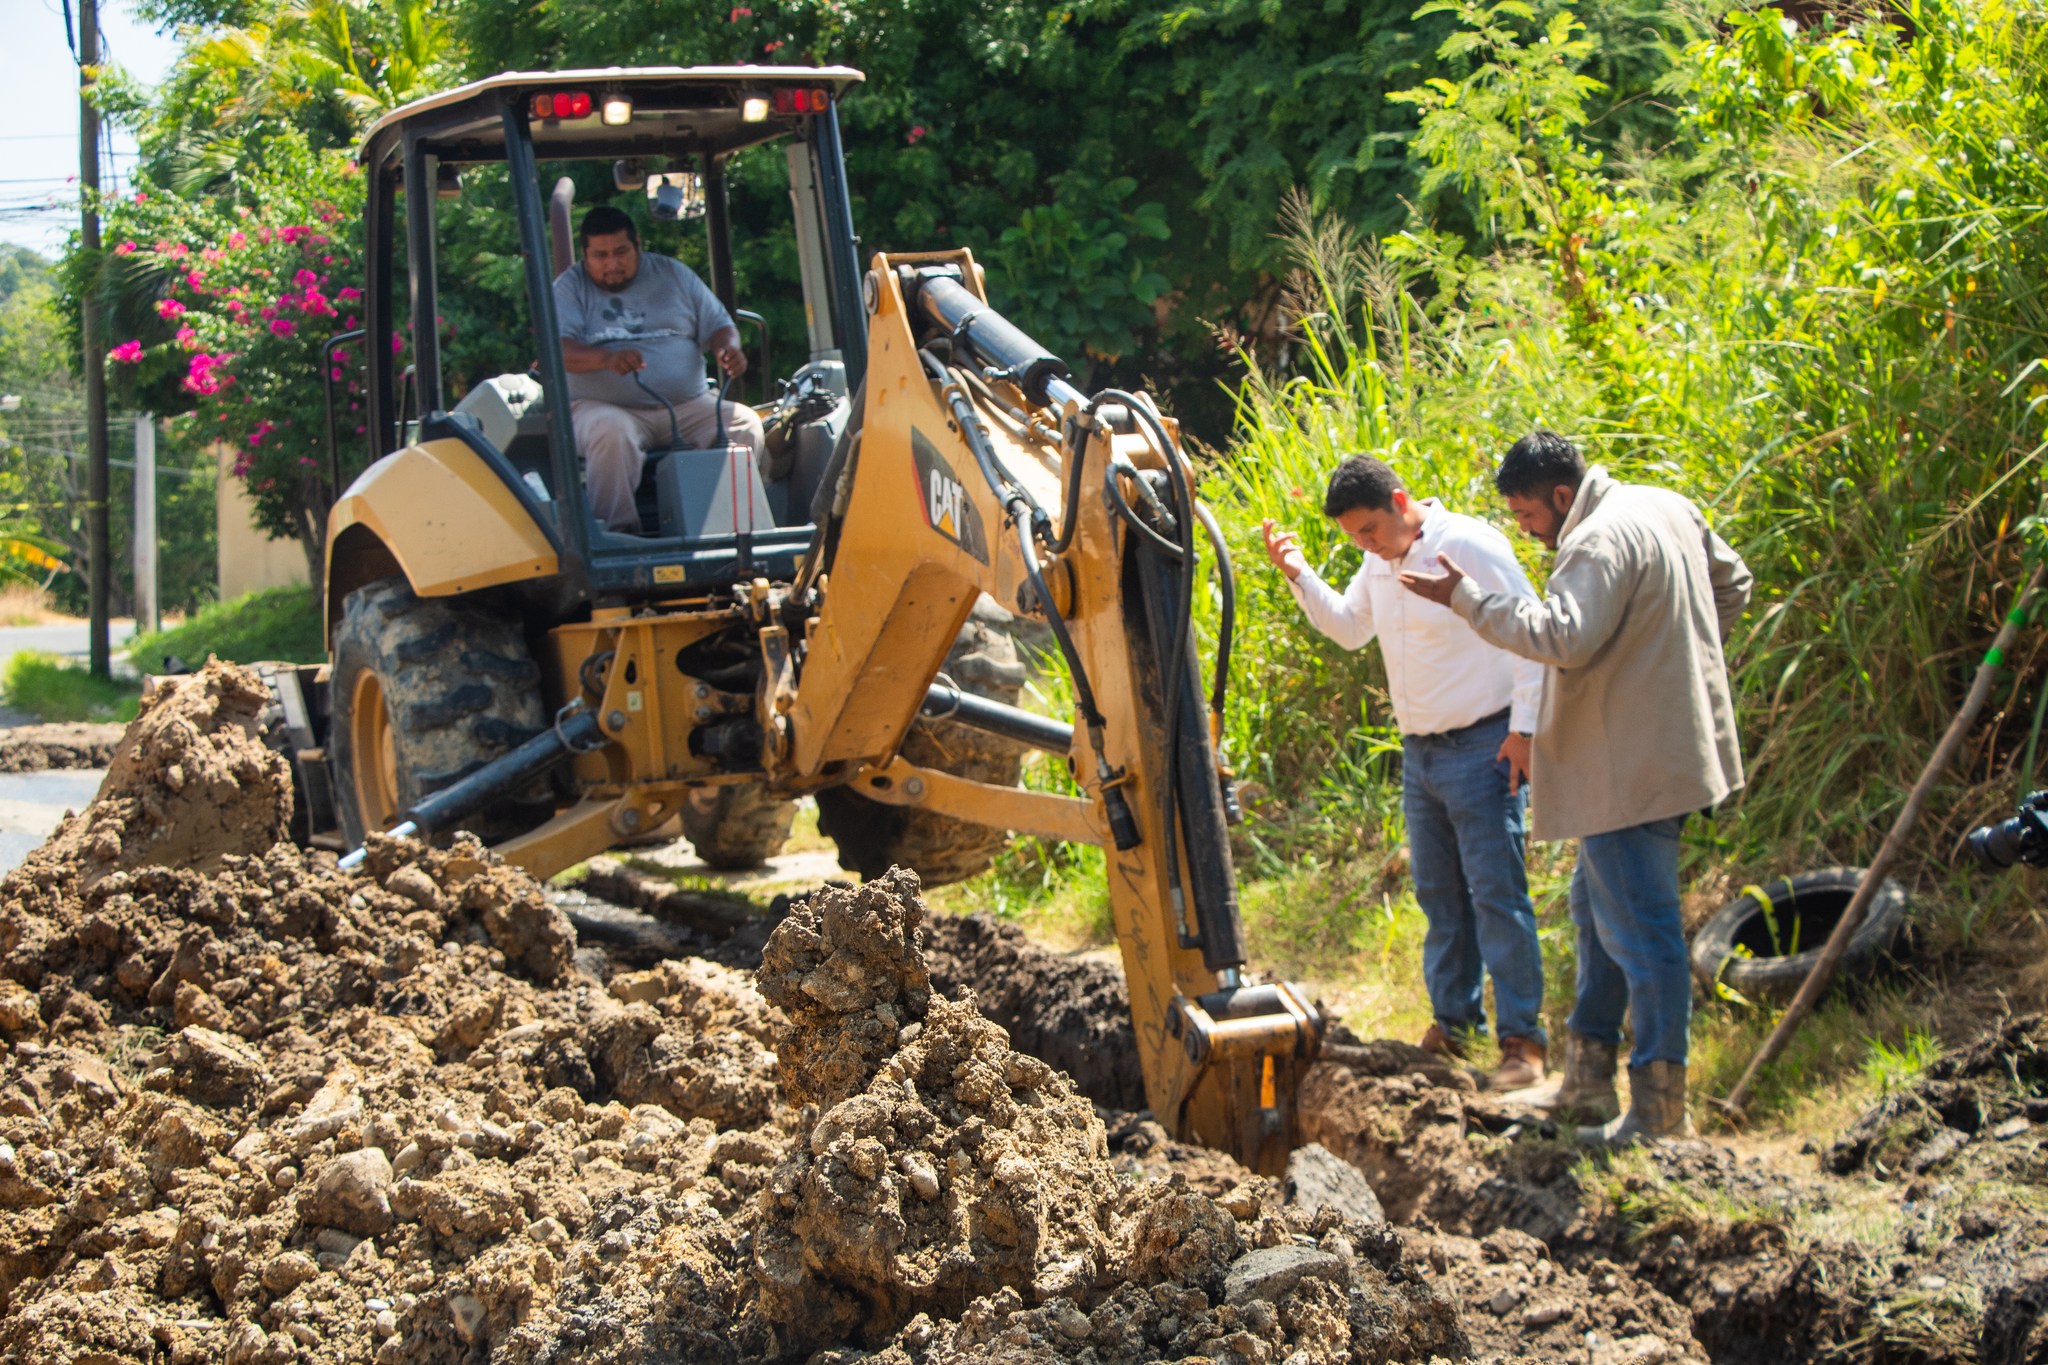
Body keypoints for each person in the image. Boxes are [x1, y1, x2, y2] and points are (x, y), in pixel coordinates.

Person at [1399, 431, 1753, 1144]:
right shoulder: (1664, 504)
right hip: (1672, 750)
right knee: (1594, 908)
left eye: (1528, 515)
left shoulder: (1593, 541)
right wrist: (1671, 659)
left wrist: (1465, 598)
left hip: (1629, 767)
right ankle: (1588, 1079)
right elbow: (1733, 583)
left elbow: (1562, 635)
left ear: (1562, 496)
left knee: (1643, 931)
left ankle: (1658, 1109)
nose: (1526, 532)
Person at [1263, 455, 1550, 1092]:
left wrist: (1524, 732)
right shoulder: (1378, 561)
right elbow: (1349, 630)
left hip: (1484, 746)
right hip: (1420, 754)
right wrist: (1299, 574)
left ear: (1399, 501)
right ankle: (1455, 1023)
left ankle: (1523, 1039)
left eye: (1368, 530)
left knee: (1497, 894)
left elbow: (1530, 635)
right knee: (1441, 898)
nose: (1364, 545)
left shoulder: (1469, 545)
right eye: (1353, 537)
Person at [553, 205, 765, 534]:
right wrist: (606, 359)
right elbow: (557, 350)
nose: (612, 263)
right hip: (601, 406)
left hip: (686, 405)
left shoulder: (674, 275)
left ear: (638, 243)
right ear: (585, 255)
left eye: (621, 251)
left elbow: (721, 326)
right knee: (611, 432)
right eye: (600, 255)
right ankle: (619, 538)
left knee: (745, 424)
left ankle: (731, 531)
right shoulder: (569, 287)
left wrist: (729, 349)